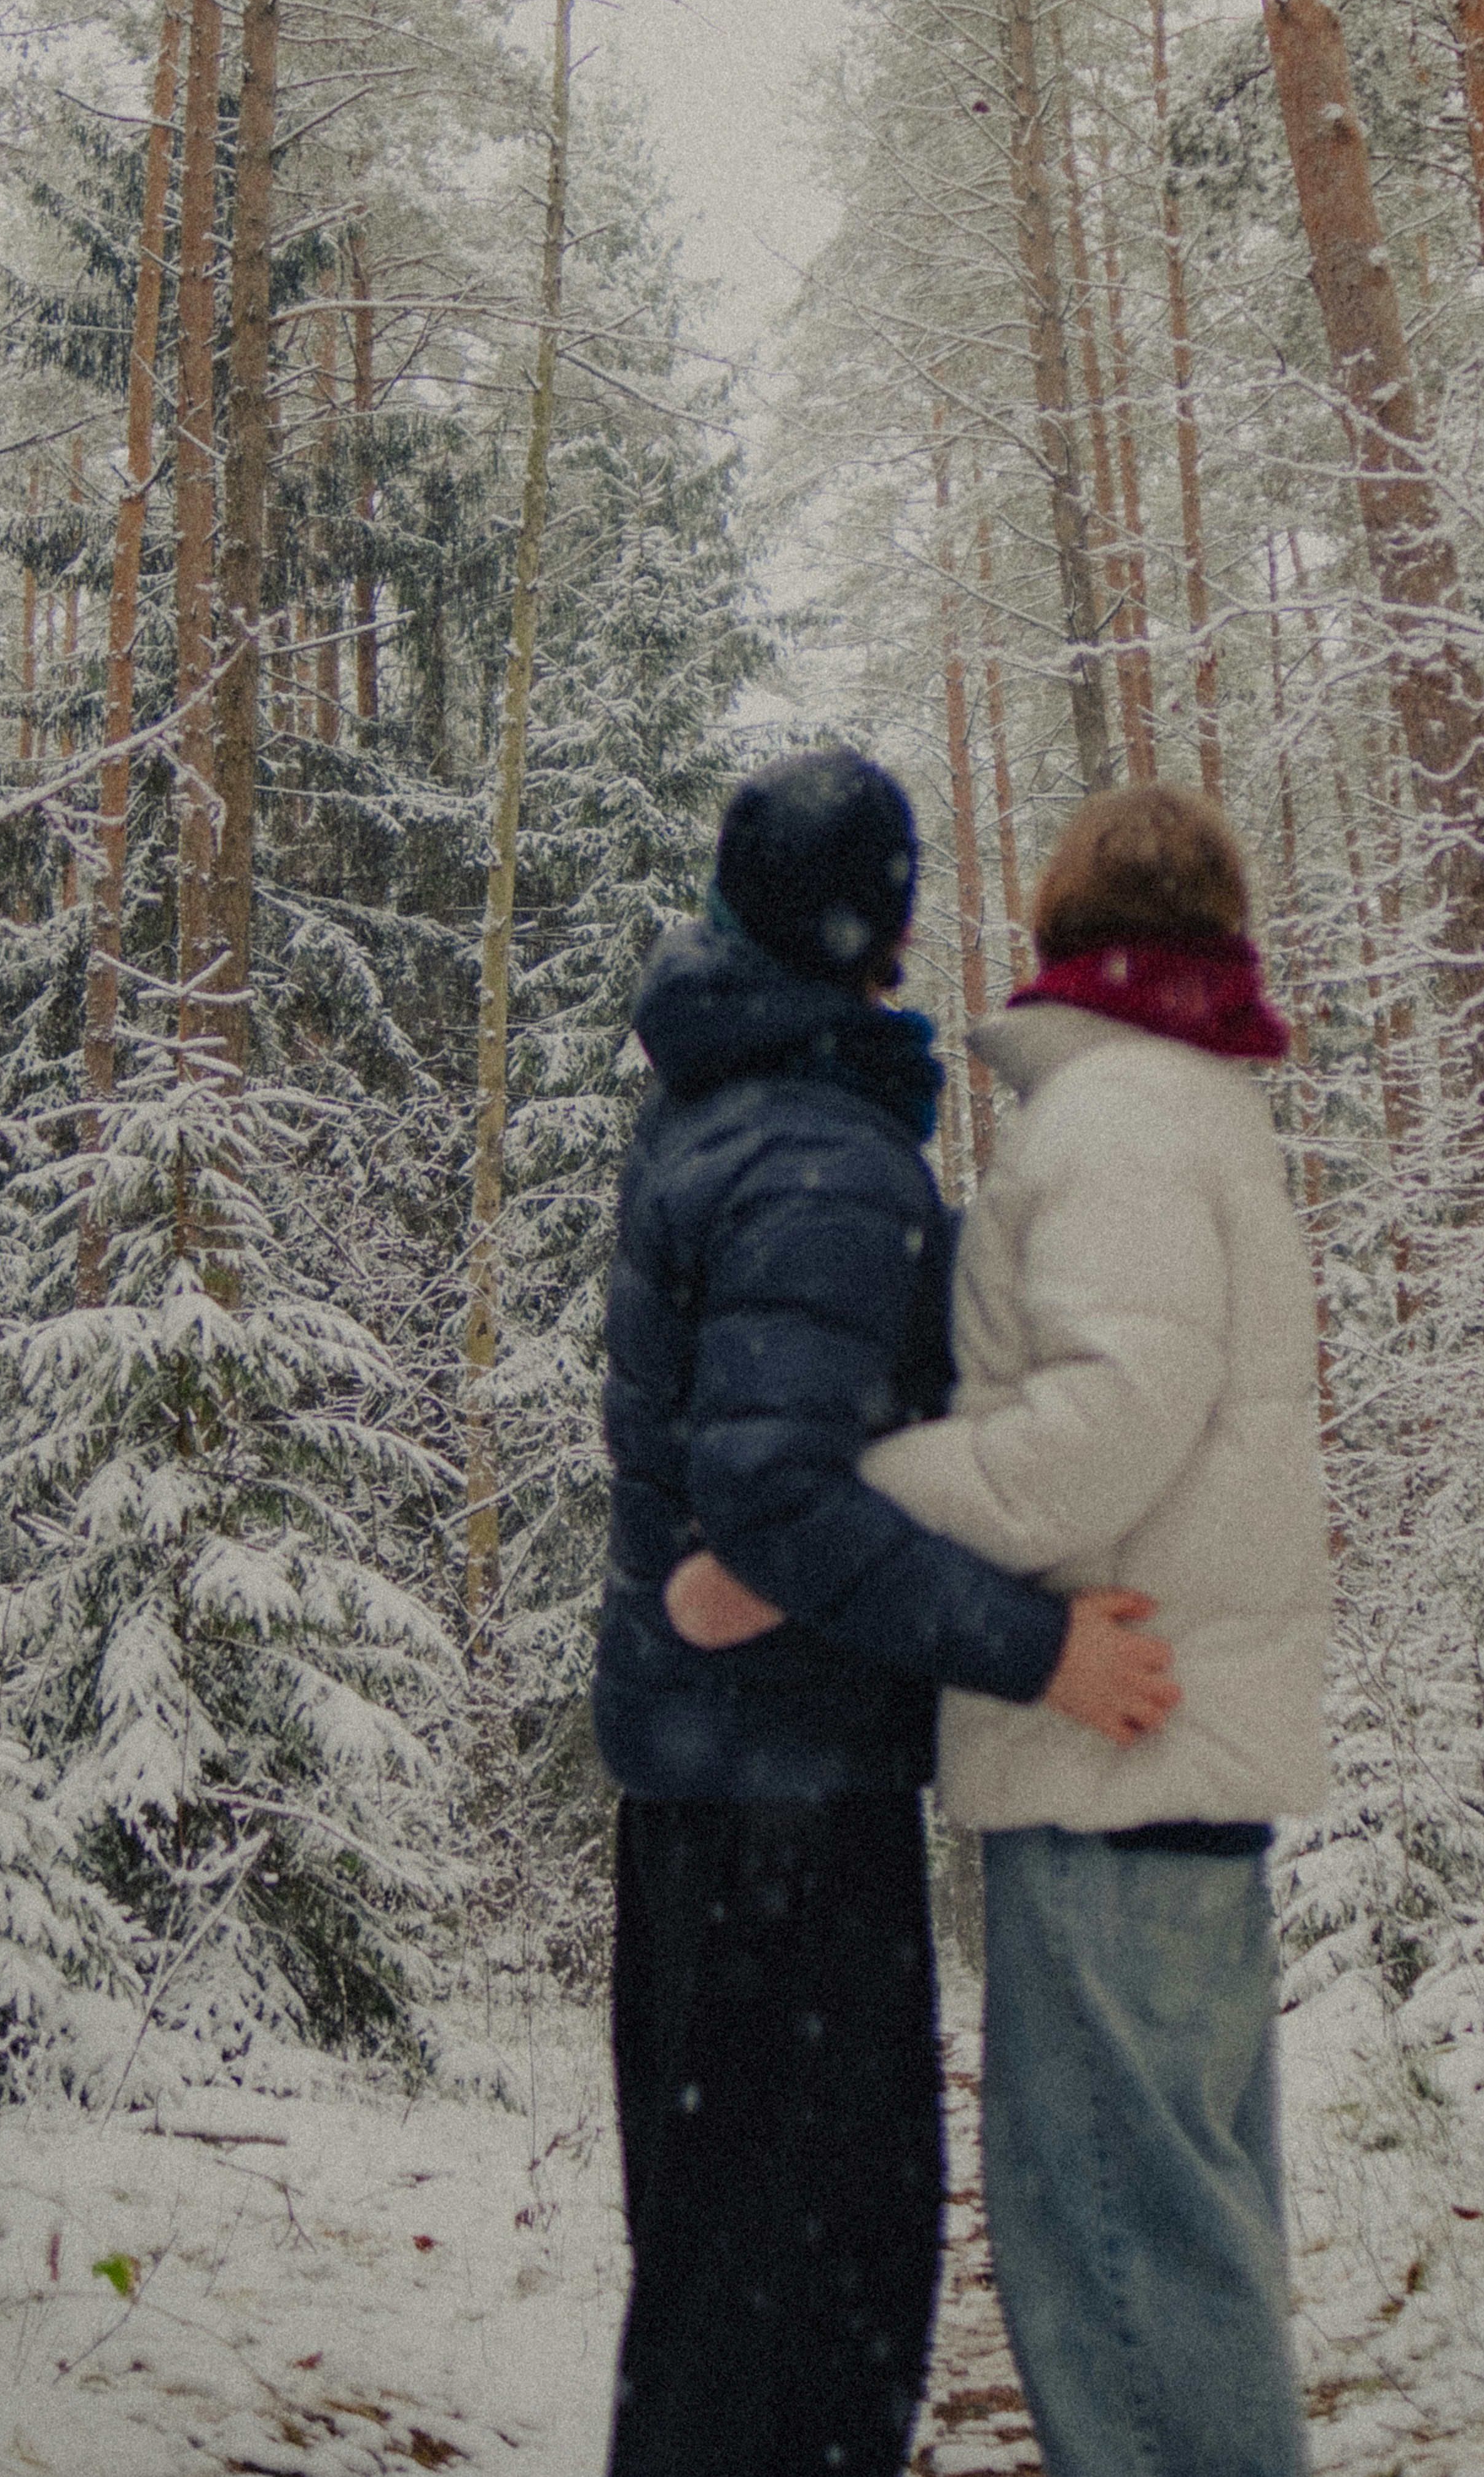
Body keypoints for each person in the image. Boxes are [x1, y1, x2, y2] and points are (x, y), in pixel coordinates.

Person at [671, 780, 1330, 2477]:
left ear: (1058, 934)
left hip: (1117, 1752)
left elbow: (1104, 1424)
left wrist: (866, 1482)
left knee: (1122, 2262)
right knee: (1177, 2243)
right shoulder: (1183, 1106)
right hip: (1154, 1748)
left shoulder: (1113, 1117)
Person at [592, 745, 1180, 2477]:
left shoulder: (718, 1106)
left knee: (723, 2287)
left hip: (717, 1781)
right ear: (886, 923)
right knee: (810, 2300)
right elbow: (775, 1496)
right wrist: (1043, 1646)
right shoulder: (819, 1154)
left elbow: (743, 1484)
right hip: (779, 1796)